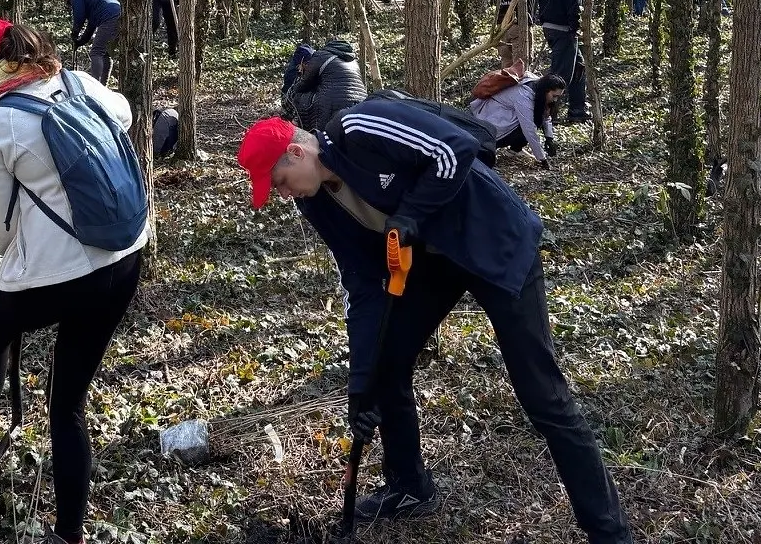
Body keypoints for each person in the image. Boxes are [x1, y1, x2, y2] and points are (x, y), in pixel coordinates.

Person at [235, 108, 631, 542]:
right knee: (384, 368)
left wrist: (411, 215)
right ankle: (409, 487)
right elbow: (362, 281)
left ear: (296, 152)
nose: (284, 194)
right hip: (430, 266)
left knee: (545, 399)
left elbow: (453, 149)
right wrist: (361, 383)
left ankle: (608, 532)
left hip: (491, 241)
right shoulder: (316, 204)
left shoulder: (359, 128)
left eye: (280, 182)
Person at [0, 18, 147, 544]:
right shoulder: (82, 83)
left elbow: (0, 220)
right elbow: (123, 115)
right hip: (125, 257)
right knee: (68, 404)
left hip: (57, 276)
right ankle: (70, 534)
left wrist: (14, 269)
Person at [469, 73, 566, 167]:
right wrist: (542, 158)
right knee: (530, 123)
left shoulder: (539, 88)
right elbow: (528, 129)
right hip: (491, 120)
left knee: (536, 118)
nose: (555, 100)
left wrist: (549, 138)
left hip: (505, 116)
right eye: (554, 96)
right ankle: (505, 147)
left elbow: (545, 114)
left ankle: (515, 150)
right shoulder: (523, 95)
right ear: (546, 90)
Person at [541, 0, 590, 123]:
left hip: (549, 26)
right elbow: (575, 6)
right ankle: (548, 115)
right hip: (563, 30)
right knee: (560, 76)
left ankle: (577, 110)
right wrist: (575, 29)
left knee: (578, 67)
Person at [281, 37, 368, 131]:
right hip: (361, 101)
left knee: (327, 133)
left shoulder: (321, 55)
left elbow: (304, 84)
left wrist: (294, 88)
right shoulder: (352, 60)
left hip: (334, 101)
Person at [61, 0, 122, 85]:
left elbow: (79, 17)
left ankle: (96, 86)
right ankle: (103, 86)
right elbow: (91, 26)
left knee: (96, 52)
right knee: (105, 53)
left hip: (110, 17)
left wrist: (74, 33)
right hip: (119, 14)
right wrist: (80, 41)